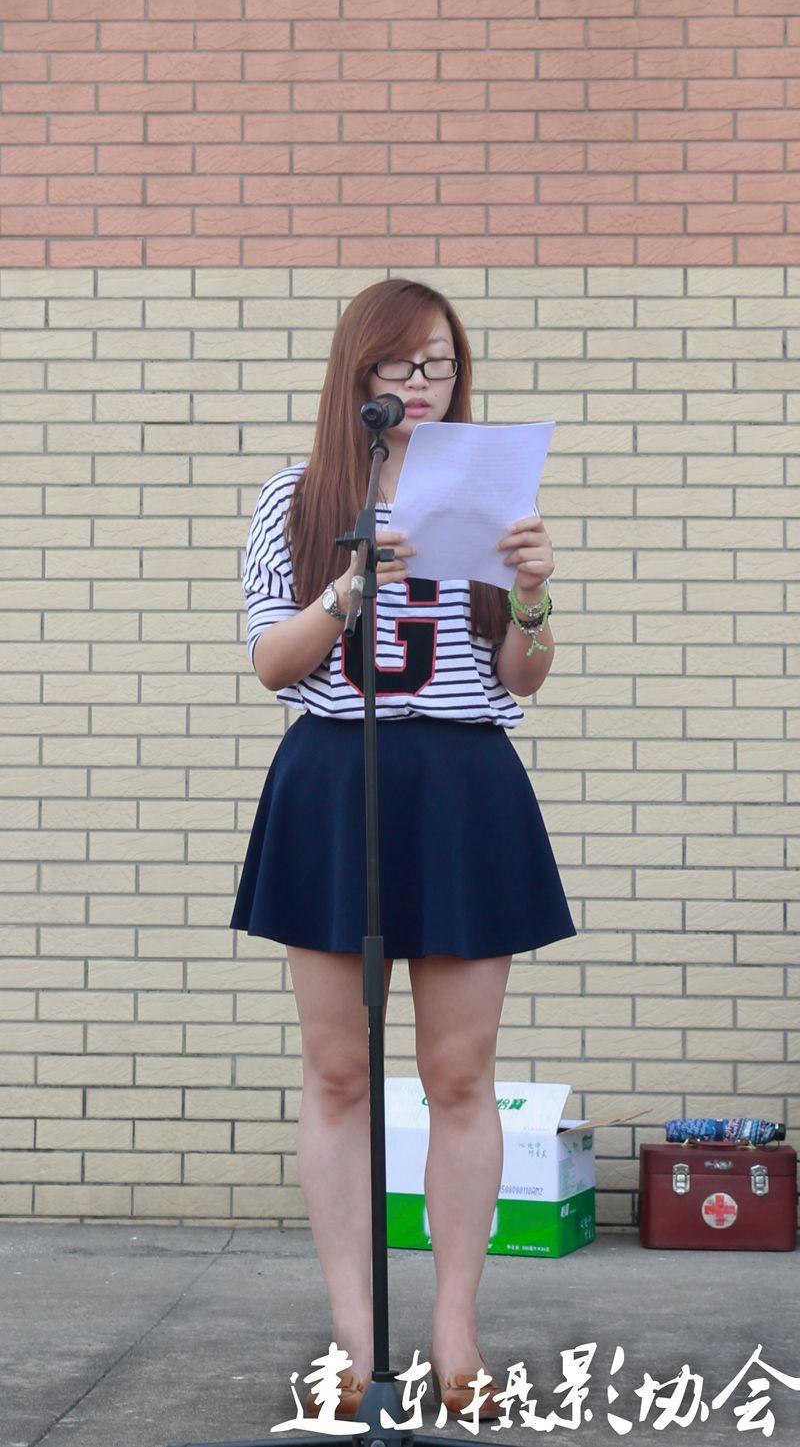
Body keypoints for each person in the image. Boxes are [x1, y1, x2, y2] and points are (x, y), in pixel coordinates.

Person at [229, 278, 577, 1420]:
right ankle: (354, 1337)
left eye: (440, 363)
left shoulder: (490, 493)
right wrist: (352, 582)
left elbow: (521, 675)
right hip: (338, 778)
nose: (421, 383)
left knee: (458, 1074)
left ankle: (456, 1332)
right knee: (338, 1072)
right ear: (358, 373)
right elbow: (272, 663)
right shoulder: (295, 497)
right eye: (400, 363)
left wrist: (533, 594)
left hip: (464, 781)